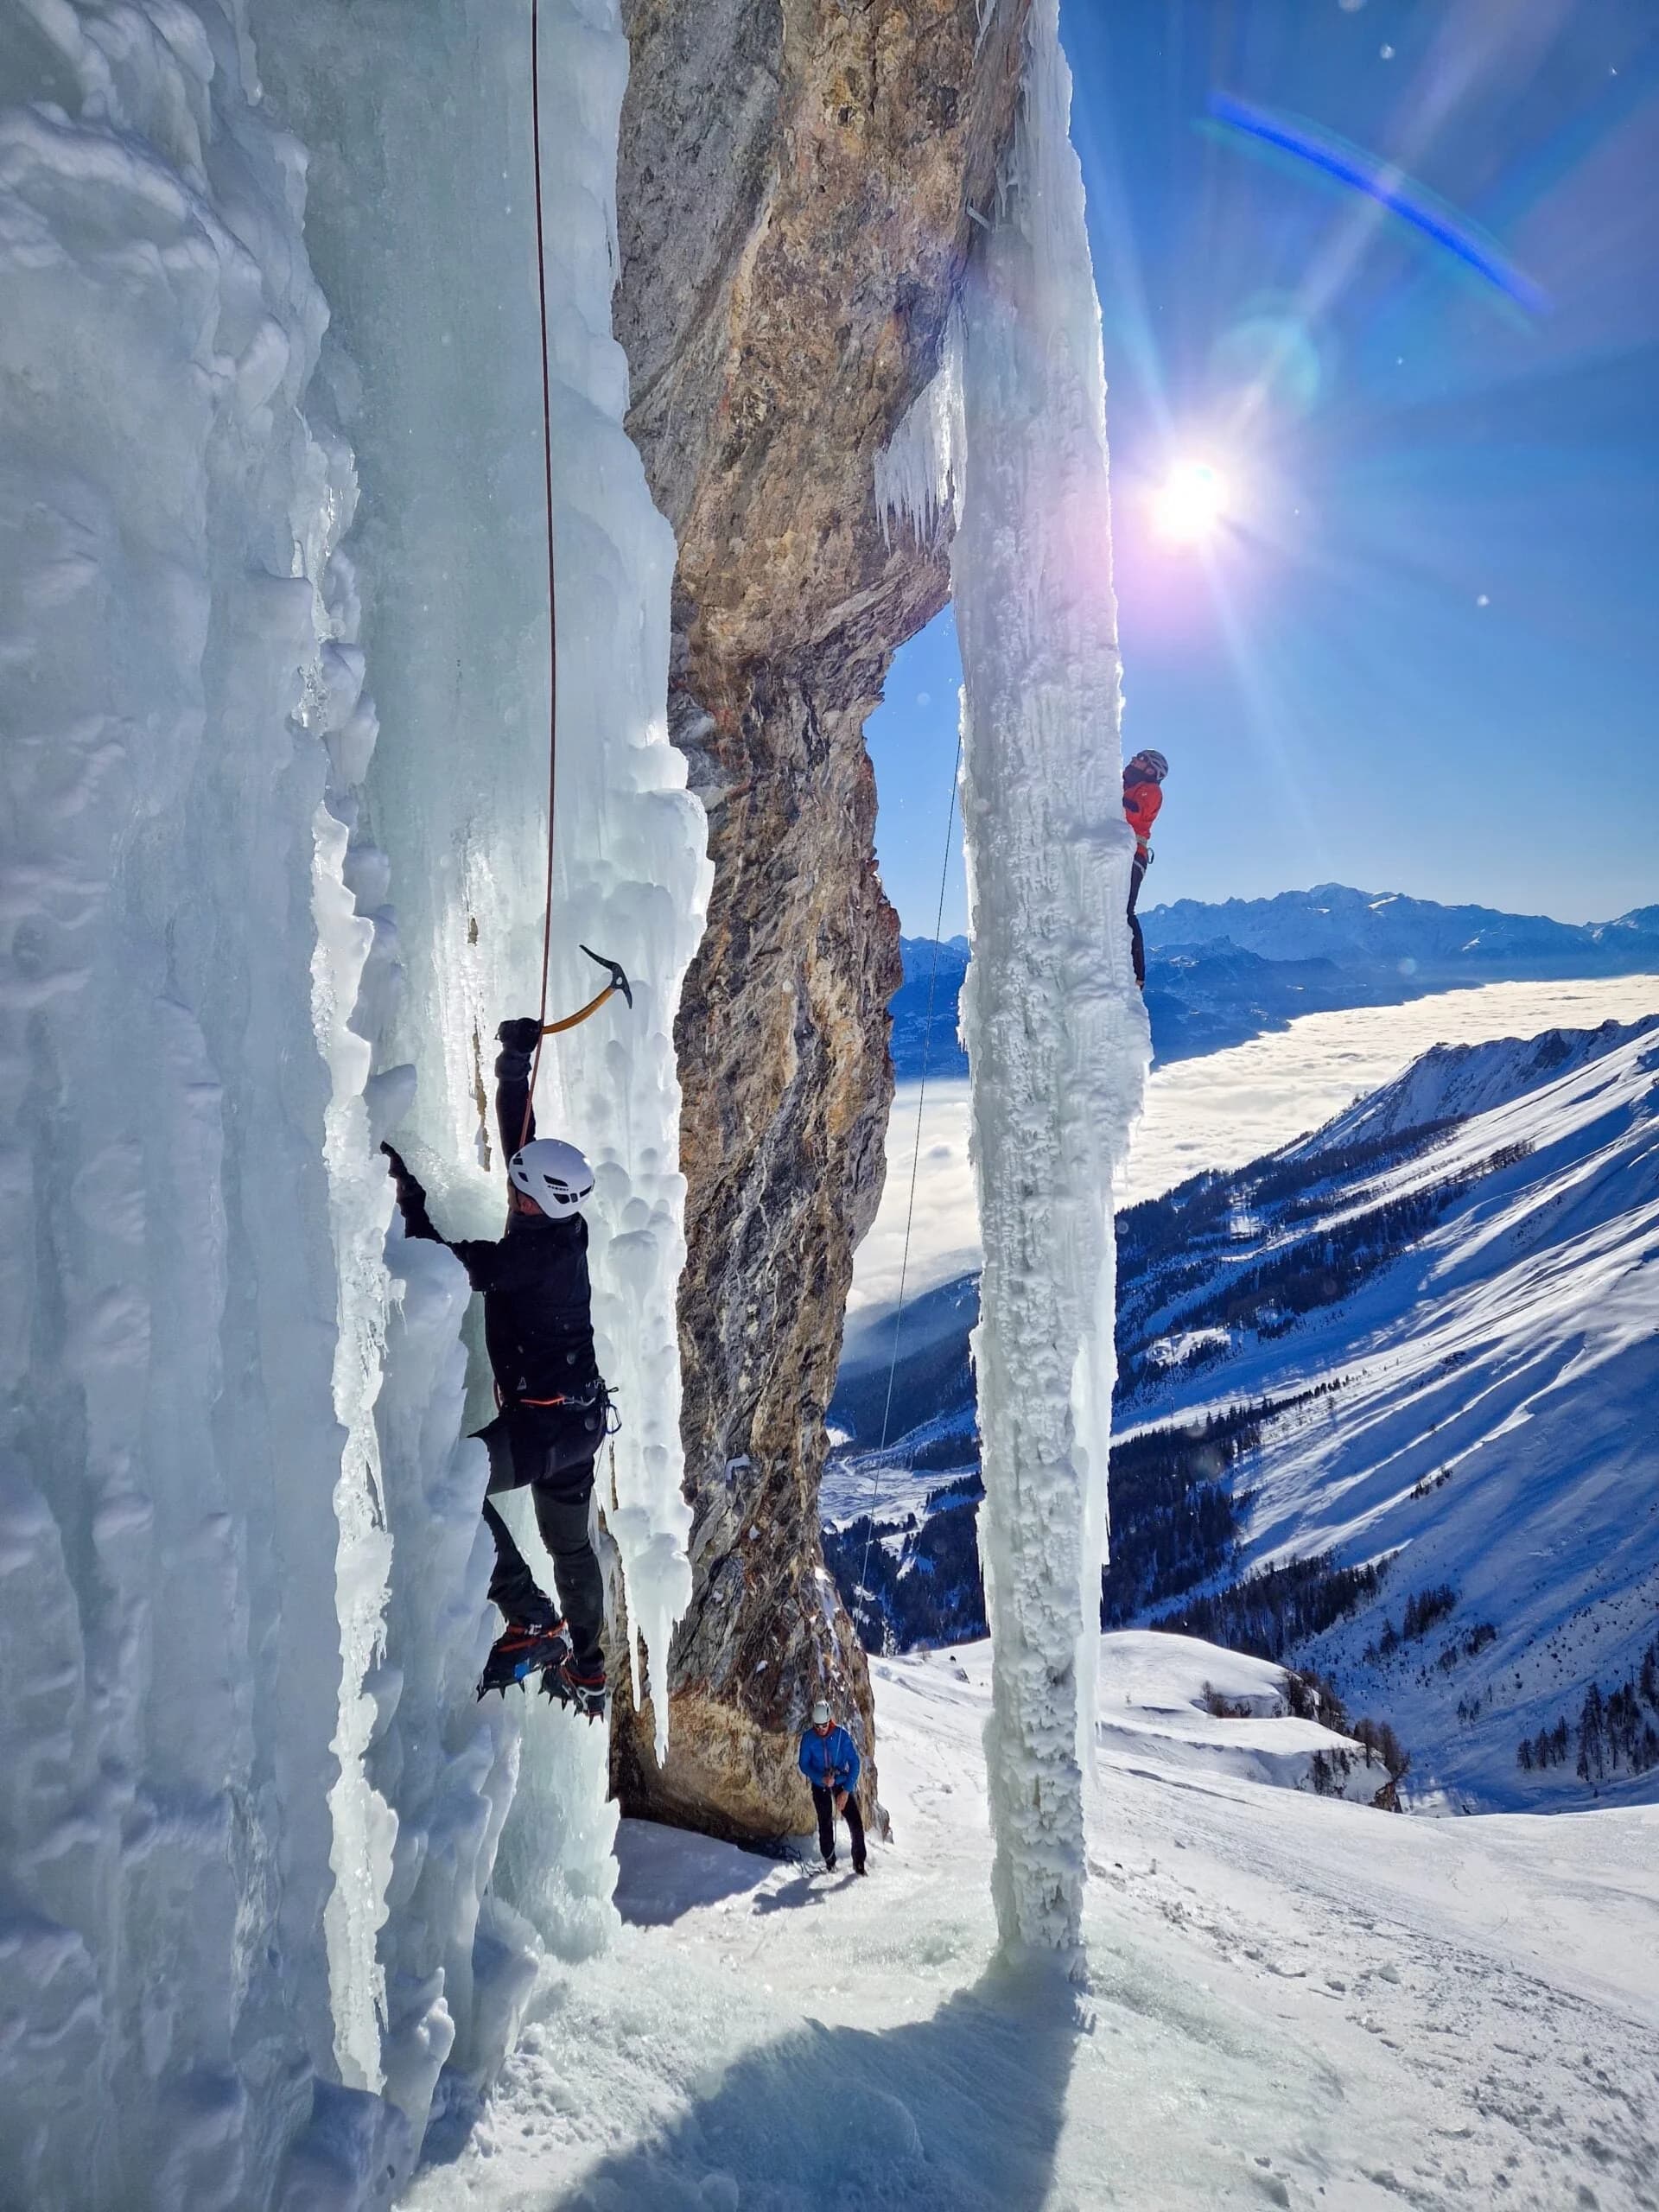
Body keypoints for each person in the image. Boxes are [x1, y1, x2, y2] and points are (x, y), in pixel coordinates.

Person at [381, 1017, 610, 1716]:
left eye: (519, 1194)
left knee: (455, 1477)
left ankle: (529, 1614)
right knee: (572, 1549)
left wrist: (410, 1200)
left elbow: (452, 1264)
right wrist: (516, 1065)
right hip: (580, 1423)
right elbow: (523, 1137)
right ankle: (591, 1667)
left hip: (544, 1430)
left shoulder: (531, 1255)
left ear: (540, 1202)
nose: (509, 1195)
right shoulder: (556, 1223)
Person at [798, 1699, 867, 1875]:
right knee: (825, 1821)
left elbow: (855, 1763)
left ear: (830, 1720)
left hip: (841, 1782)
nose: (821, 1730)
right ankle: (829, 1861)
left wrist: (845, 1791)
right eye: (817, 1726)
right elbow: (804, 1764)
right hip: (820, 1783)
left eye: (824, 1725)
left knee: (855, 1822)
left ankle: (859, 1863)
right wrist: (820, 1778)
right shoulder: (808, 1739)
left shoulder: (841, 1736)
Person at [1122, 747, 1168, 993]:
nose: (1133, 759)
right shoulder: (1129, 784)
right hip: (1124, 853)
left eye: (1140, 759)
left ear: (1151, 770)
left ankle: (1138, 975)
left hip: (1133, 856)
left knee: (1125, 911)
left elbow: (1130, 811)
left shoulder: (1151, 791)